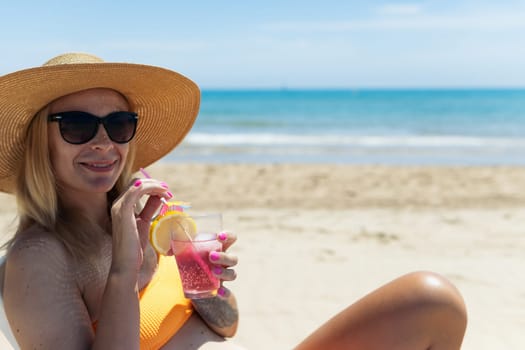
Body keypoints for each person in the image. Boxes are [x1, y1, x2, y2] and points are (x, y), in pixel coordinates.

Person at [0, 53, 467, 350]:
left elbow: (226, 325)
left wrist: (206, 287)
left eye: (119, 124)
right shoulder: (39, 260)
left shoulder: (149, 219)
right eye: (78, 126)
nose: (104, 143)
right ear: (42, 143)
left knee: (432, 300)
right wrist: (127, 272)